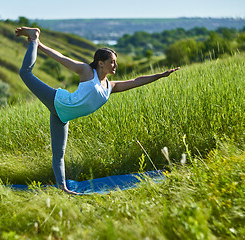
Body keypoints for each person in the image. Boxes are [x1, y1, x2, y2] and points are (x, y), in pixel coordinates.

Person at [15, 27, 179, 195]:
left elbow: (136, 80)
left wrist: (160, 75)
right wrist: (38, 44)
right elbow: (61, 58)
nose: (115, 65)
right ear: (101, 63)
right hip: (57, 101)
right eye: (112, 62)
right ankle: (34, 36)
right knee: (25, 73)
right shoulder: (87, 72)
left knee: (58, 154)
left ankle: (62, 188)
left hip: (62, 116)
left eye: (115, 62)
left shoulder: (110, 86)